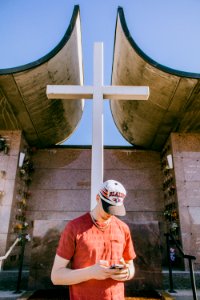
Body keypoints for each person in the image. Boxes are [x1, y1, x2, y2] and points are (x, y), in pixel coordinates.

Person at [51, 179, 136, 300]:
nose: (111, 213)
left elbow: (131, 267)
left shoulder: (123, 228)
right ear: (97, 198)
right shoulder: (74, 227)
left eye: (115, 209)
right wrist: (91, 273)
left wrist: (126, 273)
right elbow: (56, 276)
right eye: (108, 207)